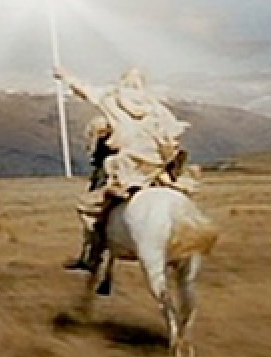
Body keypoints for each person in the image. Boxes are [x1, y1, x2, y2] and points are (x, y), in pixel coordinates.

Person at [54, 66, 191, 272]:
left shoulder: (112, 99)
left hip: (127, 166)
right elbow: (172, 134)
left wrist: (64, 76)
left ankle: (92, 255)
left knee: (90, 206)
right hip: (154, 165)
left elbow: (86, 92)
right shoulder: (154, 106)